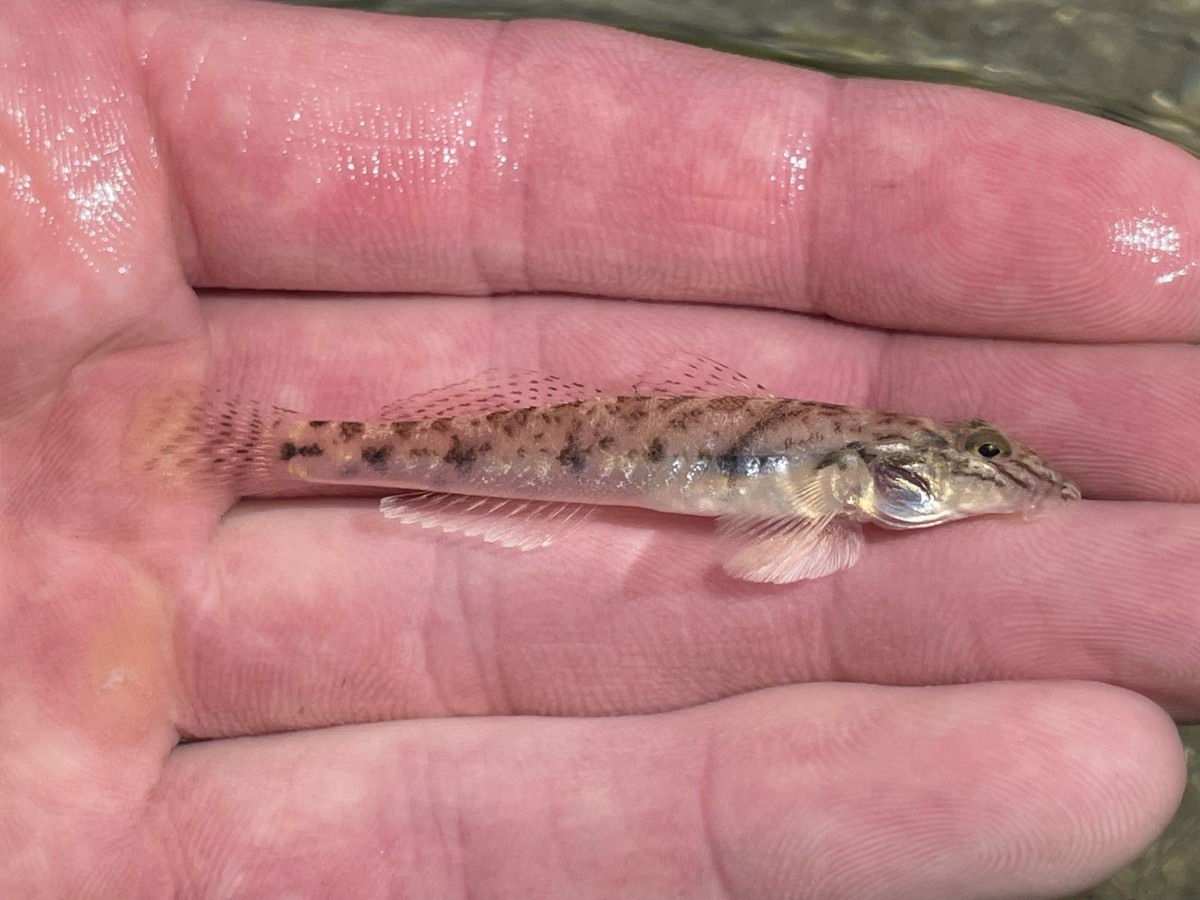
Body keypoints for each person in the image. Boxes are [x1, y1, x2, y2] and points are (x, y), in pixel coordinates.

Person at [2, 0, 1195, 896]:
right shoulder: (846, 476)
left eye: (979, 459)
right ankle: (278, 448)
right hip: (591, 444)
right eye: (976, 458)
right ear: (888, 470)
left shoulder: (854, 469)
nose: (985, 474)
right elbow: (762, 559)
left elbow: (758, 552)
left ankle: (278, 450)